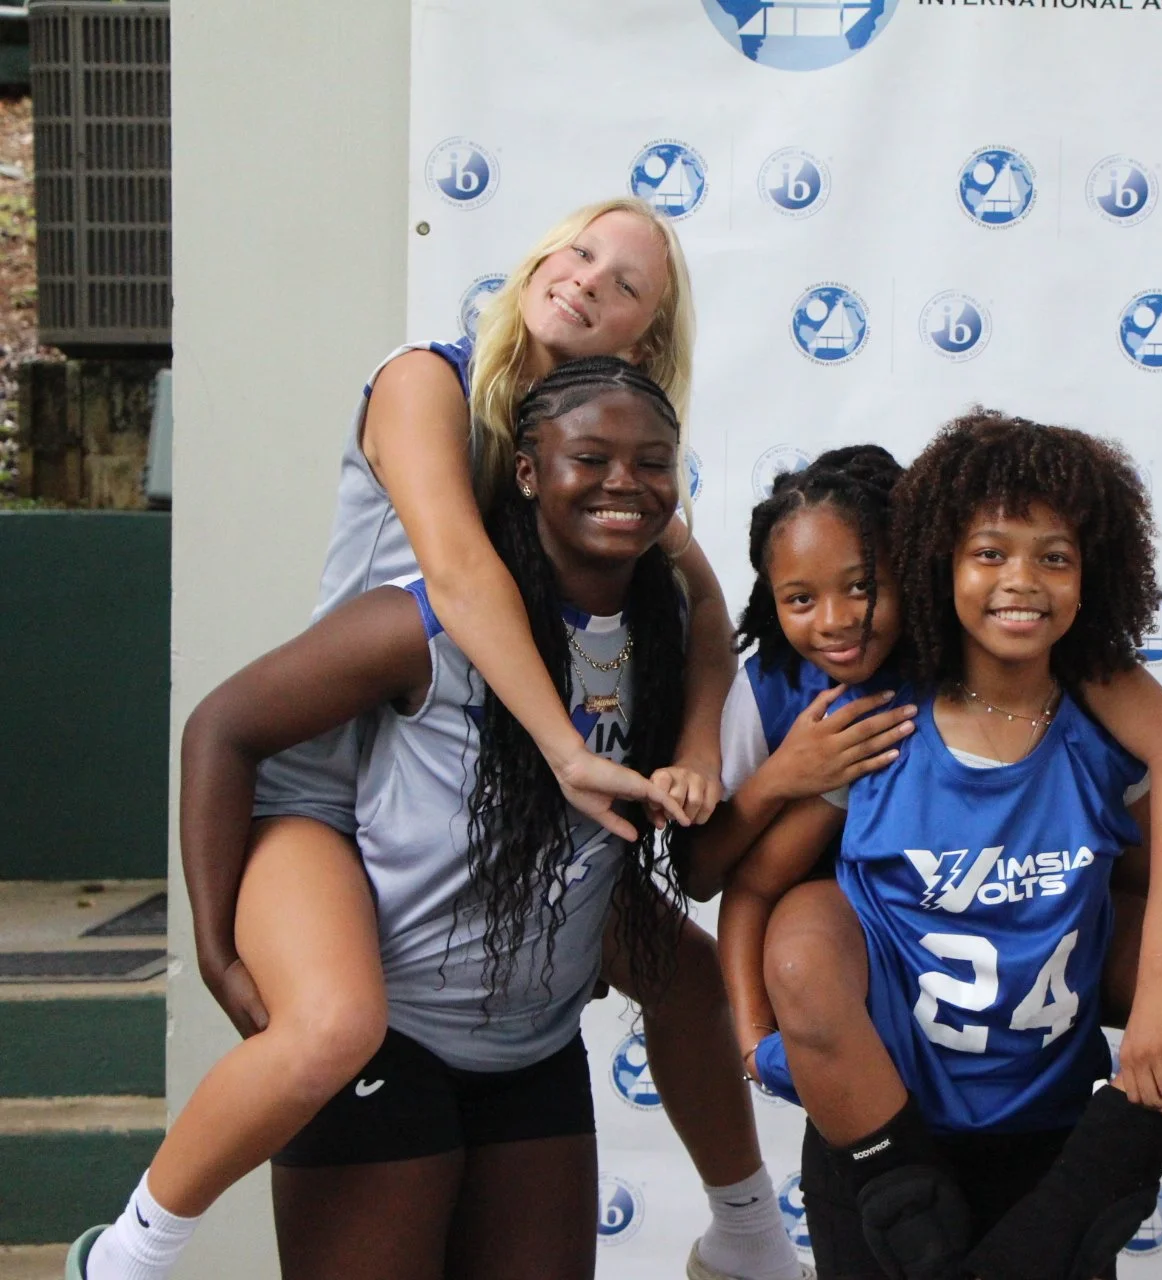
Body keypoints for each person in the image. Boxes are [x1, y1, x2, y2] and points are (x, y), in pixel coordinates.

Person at [71, 200, 799, 1280]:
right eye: (580, 247)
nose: (589, 277)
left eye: (625, 281)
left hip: (500, 810)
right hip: (333, 789)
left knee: (683, 973)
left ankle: (748, 1232)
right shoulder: (433, 382)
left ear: (641, 343)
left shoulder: (599, 446)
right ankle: (131, 1250)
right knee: (332, 1023)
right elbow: (457, 577)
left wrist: (696, 744)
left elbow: (698, 600)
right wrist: (563, 746)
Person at [718, 417, 1162, 1280]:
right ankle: (898, 1188)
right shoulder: (885, 720)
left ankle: (1067, 1220)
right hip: (892, 1114)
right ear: (939, 562)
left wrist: (1159, 986)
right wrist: (752, 1039)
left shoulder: (1097, 718)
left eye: (1055, 557)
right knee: (804, 932)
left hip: (1039, 1129)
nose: (1023, 581)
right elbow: (747, 885)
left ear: (1093, 576)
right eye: (990, 554)